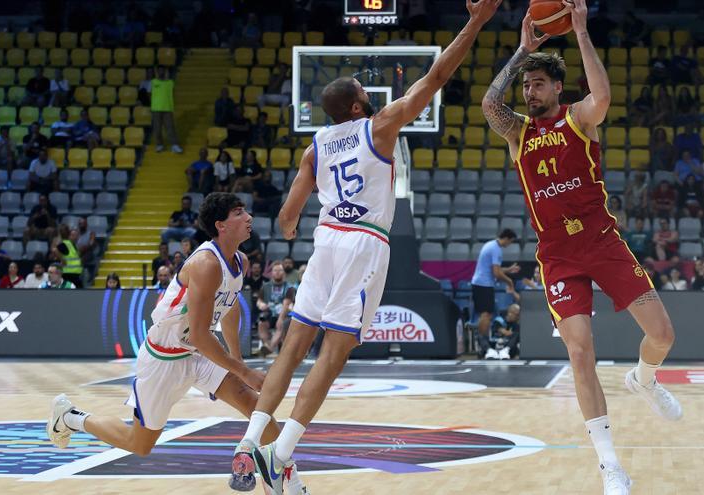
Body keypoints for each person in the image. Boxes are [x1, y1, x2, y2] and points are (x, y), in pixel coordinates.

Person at [229, 3, 501, 493]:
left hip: (326, 241)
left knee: (291, 349)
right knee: (334, 355)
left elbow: (288, 219)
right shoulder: (379, 127)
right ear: (357, 106)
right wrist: (476, 22)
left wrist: (292, 227)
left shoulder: (315, 145)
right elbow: (436, 76)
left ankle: (249, 443)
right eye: (363, 91)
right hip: (363, 244)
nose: (369, 94)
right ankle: (281, 452)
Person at [481, 3, 681, 493]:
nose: (529, 92)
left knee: (662, 336)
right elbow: (489, 104)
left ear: (556, 88)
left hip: (602, 242)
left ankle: (644, 379)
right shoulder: (518, 132)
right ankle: (611, 465)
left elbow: (604, 94)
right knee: (579, 353)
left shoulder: (577, 119)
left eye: (537, 84)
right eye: (526, 86)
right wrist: (522, 53)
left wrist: (582, 31)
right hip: (558, 256)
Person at [47, 192, 310, 494]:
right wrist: (241, 371)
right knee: (140, 443)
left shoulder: (239, 260)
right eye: (239, 213)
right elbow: (199, 333)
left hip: (198, 353)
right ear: (220, 225)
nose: (249, 217)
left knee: (256, 407)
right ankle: (70, 418)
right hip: (165, 357)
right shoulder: (205, 265)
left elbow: (230, 308)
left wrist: (239, 364)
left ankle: (284, 483)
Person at [470, 229, 520, 357]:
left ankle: (483, 345)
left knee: (486, 315)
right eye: (511, 242)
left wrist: (508, 270)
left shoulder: (490, 245)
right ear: (507, 239)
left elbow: (495, 269)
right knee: (486, 315)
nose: (509, 245)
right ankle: (482, 346)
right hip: (483, 284)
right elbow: (496, 273)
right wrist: (510, 282)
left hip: (482, 284)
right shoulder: (496, 249)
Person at [256, 262, 295, 356]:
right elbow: (259, 301)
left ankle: (270, 348)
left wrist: (280, 318)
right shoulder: (266, 286)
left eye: (280, 270)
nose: (277, 272)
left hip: (284, 313)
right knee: (262, 323)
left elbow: (287, 304)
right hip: (270, 312)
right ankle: (267, 345)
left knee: (281, 324)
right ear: (272, 273)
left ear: (284, 273)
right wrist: (261, 305)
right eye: (275, 270)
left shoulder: (289, 287)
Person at [151, 66, 183, 153]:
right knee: (157, 128)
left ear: (165, 72)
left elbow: (172, 93)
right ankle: (159, 145)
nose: (161, 72)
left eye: (163, 71)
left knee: (170, 128)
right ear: (157, 72)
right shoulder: (153, 82)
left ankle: (174, 145)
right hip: (156, 109)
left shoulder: (170, 83)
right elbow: (148, 94)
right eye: (159, 70)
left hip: (168, 109)